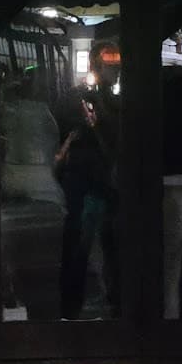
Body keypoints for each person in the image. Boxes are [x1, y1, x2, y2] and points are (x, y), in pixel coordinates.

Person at [55, 94, 120, 319]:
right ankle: (103, 296)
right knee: (96, 248)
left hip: (82, 194)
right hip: (96, 192)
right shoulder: (96, 132)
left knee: (81, 248)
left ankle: (75, 300)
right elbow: (109, 156)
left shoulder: (76, 133)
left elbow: (60, 162)